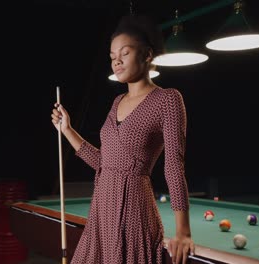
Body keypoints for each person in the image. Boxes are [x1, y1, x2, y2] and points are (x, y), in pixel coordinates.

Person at [51, 15, 194, 264]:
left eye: (124, 53)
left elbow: (173, 165)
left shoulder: (168, 100)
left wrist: (183, 231)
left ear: (147, 55)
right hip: (101, 210)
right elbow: (103, 163)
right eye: (112, 56)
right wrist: (67, 130)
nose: (116, 61)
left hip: (134, 212)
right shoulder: (116, 102)